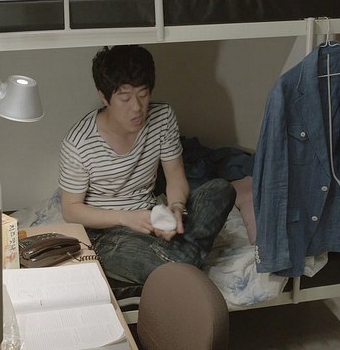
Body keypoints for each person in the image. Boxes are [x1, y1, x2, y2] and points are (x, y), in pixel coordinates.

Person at [58, 44, 236, 288]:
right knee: (172, 265)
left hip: (153, 217)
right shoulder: (79, 143)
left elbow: (176, 178)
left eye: (143, 95)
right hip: (106, 233)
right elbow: (71, 210)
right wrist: (125, 218)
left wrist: (176, 208)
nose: (137, 108)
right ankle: (181, 261)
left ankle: (179, 259)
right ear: (104, 96)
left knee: (221, 190)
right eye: (125, 98)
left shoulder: (162, 117)